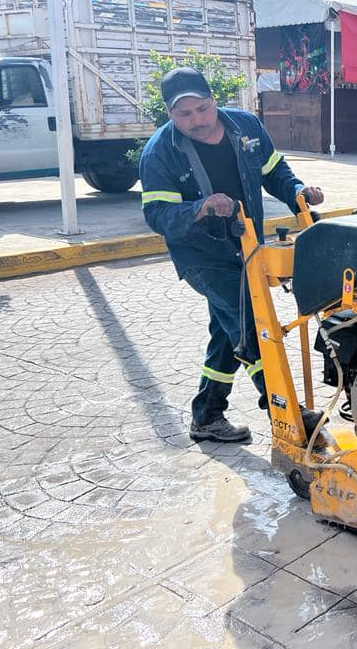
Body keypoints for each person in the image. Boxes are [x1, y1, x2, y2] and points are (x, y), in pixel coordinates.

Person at [139, 67, 324, 443]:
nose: (197, 121)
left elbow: (276, 173)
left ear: (214, 101)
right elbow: (157, 215)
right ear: (170, 115)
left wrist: (299, 192)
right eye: (184, 114)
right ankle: (286, 414)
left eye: (202, 109)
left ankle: (206, 416)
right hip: (201, 255)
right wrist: (201, 208)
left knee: (227, 335)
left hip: (247, 246)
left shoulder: (246, 128)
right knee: (251, 326)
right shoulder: (160, 152)